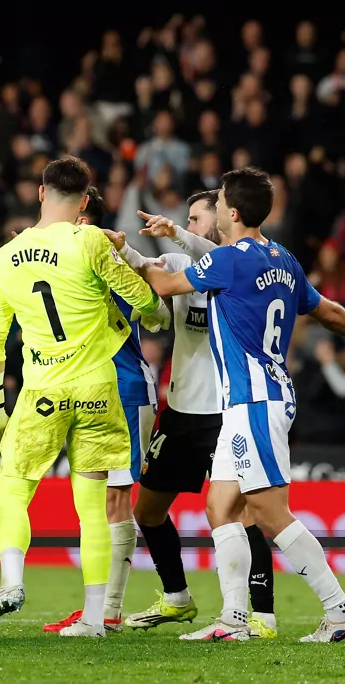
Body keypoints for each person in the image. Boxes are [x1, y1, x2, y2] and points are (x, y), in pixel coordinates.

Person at [144, 168, 345, 643]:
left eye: (217, 200)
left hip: (254, 398)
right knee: (220, 505)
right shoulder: (284, 259)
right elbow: (325, 310)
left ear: (232, 212)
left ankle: (340, 608)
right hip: (258, 396)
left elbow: (166, 284)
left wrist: (114, 256)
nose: (213, 207)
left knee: (270, 512)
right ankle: (233, 619)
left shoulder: (231, 260)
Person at [0, 155, 164, 639]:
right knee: (93, 505)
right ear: (84, 202)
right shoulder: (90, 239)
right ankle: (97, 618)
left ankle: (11, 581)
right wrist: (157, 313)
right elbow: (141, 298)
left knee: (14, 489)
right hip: (99, 391)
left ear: (39, 193)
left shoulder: (5, 258)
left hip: (42, 393)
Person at [111, 191, 280, 639]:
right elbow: (146, 269)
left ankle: (261, 615)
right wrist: (119, 246)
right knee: (146, 510)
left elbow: (215, 254)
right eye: (189, 218)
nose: (190, 223)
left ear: (223, 219)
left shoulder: (241, 265)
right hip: (182, 410)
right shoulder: (180, 263)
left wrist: (180, 234)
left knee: (241, 515)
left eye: (198, 217)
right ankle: (176, 598)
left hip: (226, 412)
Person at [42, 187, 167, 634]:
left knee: (115, 501)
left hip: (125, 391)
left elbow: (157, 315)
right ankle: (99, 607)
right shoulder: (66, 263)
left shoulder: (108, 264)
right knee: (95, 504)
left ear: (86, 221)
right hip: (88, 393)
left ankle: (107, 612)